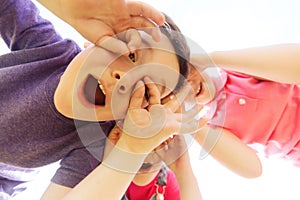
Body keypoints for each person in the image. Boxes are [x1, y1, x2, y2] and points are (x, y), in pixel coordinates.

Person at [0, 0, 203, 199]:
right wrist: (70, 6)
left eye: (146, 91)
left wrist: (132, 148)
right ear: (93, 41)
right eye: (131, 55)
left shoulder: (93, 143)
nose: (124, 79)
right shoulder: (49, 50)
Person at [186, 44, 300, 178]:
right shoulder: (213, 125)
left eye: (183, 72)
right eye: (175, 90)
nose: (189, 86)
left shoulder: (235, 71)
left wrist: (211, 58)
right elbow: (253, 170)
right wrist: (188, 124)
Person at [106, 125, 201, 200]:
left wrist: (184, 173)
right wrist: (109, 167)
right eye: (138, 141)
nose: (146, 155)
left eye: (155, 143)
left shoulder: (170, 185)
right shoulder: (107, 175)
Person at [36, 0, 166, 54]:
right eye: (132, 58)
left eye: (147, 93)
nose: (121, 78)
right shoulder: (49, 52)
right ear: (90, 46)